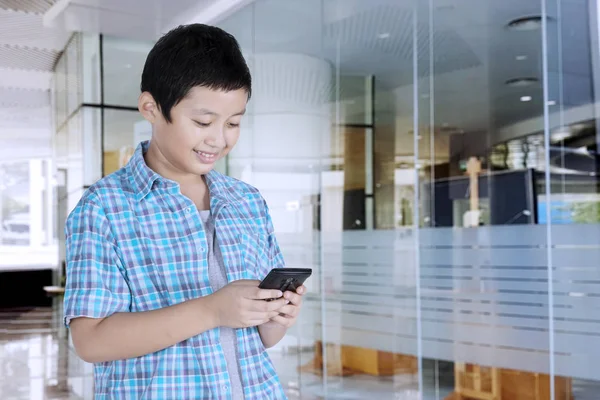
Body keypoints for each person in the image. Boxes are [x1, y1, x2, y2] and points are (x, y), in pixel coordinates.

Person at [63, 23, 306, 399]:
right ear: (152, 108)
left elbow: (264, 340)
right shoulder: (104, 208)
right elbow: (91, 341)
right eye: (203, 122)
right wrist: (211, 310)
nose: (219, 138)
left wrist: (279, 315)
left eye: (234, 122)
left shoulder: (247, 201)